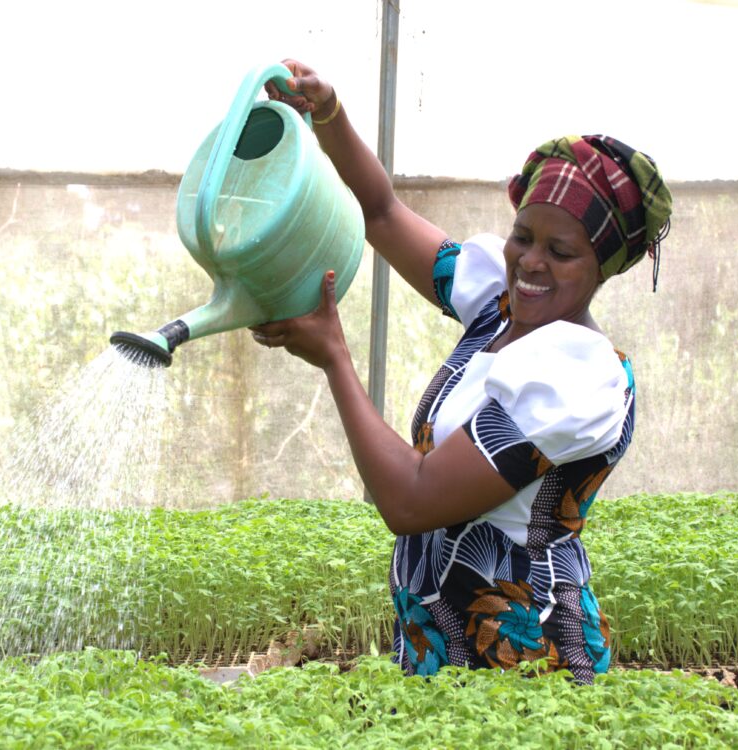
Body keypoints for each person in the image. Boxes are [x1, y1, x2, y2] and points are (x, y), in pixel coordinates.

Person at [252, 60, 672, 685]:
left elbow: (411, 500)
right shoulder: (497, 309)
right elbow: (382, 213)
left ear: (602, 266)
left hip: (524, 664)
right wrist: (330, 114)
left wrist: (335, 359)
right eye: (522, 236)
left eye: (561, 252)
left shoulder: (576, 377)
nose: (530, 262)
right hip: (440, 644)